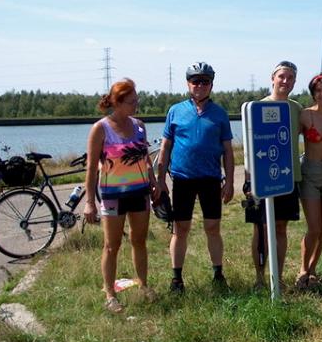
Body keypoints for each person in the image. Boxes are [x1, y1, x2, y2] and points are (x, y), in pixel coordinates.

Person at [157, 62, 234, 293]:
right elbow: (165, 147)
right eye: (195, 81)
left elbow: (228, 151)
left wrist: (230, 182)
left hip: (210, 179)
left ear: (211, 84)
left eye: (205, 81)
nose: (200, 85)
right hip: (183, 178)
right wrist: (160, 180)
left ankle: (218, 274)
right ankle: (176, 279)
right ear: (188, 84)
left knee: (212, 227)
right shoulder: (175, 111)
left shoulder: (220, 114)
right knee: (180, 228)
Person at [84, 78, 159, 313]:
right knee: (111, 245)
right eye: (131, 102)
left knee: (139, 241)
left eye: (137, 101)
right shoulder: (101, 129)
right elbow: (91, 168)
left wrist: (154, 182)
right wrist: (89, 202)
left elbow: (145, 158)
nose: (136, 106)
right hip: (112, 196)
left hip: (140, 193)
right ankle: (110, 294)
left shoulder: (139, 126)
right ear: (117, 102)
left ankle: (143, 285)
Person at [244, 60, 302, 289]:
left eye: (290, 78)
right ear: (273, 78)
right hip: (262, 180)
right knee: (261, 229)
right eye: (281, 76)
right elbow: (249, 147)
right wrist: (248, 180)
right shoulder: (257, 107)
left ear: (294, 82)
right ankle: (260, 278)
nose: (285, 81)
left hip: (288, 179)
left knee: (280, 228)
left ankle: (276, 277)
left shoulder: (297, 109)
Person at [296, 73, 322, 289]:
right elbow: (286, 138)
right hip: (310, 173)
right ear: (313, 94)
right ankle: (302, 269)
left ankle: (313, 269)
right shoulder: (305, 115)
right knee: (313, 227)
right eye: (318, 90)